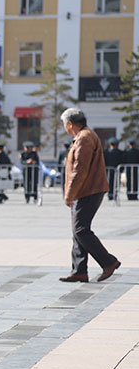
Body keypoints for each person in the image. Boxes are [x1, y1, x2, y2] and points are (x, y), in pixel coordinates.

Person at [58, 108, 121, 283]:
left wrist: (69, 194)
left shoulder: (84, 138)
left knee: (81, 230)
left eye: (64, 124)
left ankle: (108, 261)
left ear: (70, 124)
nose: (64, 127)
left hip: (87, 190)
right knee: (77, 230)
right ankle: (79, 270)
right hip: (86, 190)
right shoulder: (84, 136)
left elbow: (79, 170)